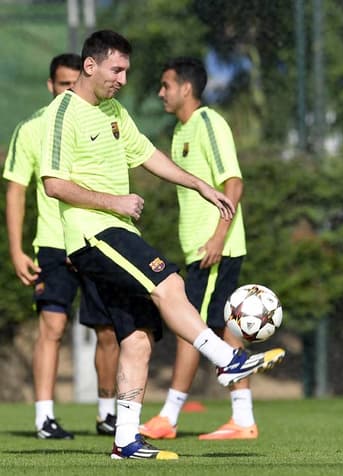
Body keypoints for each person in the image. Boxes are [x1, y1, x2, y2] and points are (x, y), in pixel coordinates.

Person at [39, 30, 285, 460]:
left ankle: (126, 441)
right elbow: (54, 184)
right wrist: (114, 201)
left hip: (117, 233)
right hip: (92, 234)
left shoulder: (114, 110)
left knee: (137, 337)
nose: (123, 78)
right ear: (91, 66)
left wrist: (202, 186)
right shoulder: (63, 113)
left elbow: (148, 155)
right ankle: (227, 359)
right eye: (117, 69)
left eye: (127, 71)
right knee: (168, 282)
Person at [3, 53, 119, 439]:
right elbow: (17, 190)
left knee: (107, 328)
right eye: (63, 83)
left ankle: (108, 415)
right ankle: (44, 418)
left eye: (75, 82)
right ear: (50, 86)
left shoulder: (102, 119)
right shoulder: (32, 127)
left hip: (95, 237)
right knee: (51, 326)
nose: (70, 89)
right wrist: (17, 249)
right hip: (53, 243)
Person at [140, 57, 256, 441]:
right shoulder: (180, 131)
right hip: (202, 249)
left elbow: (233, 183)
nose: (161, 93)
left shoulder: (209, 123)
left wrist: (218, 238)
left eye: (166, 85)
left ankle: (169, 417)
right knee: (221, 328)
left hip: (215, 249)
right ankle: (242, 418)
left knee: (191, 329)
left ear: (185, 88)